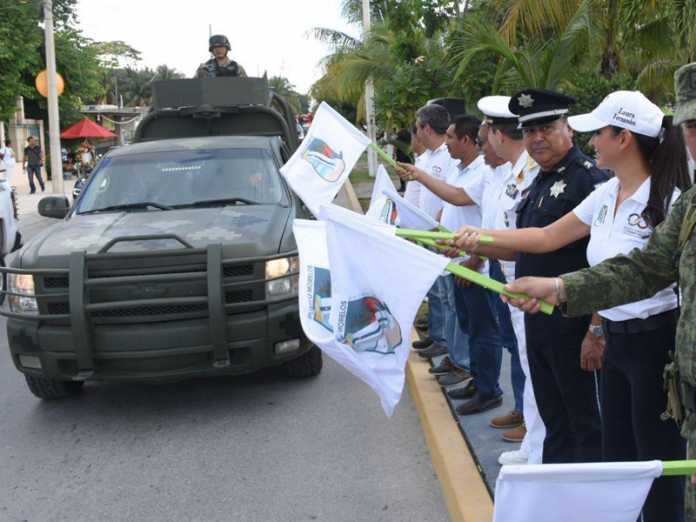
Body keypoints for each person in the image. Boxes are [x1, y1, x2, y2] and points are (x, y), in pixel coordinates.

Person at [460, 90, 690, 521]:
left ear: (624, 138)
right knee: (618, 459)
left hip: (655, 345)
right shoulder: (608, 195)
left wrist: (568, 298)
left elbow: (644, 273)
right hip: (619, 345)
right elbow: (546, 237)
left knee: (657, 468)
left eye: (599, 133)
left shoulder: (671, 202)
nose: (593, 142)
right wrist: (480, 238)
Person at [459, 89, 609, 463]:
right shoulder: (539, 180)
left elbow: (608, 265)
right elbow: (520, 248)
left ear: (568, 128)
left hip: (574, 324)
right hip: (539, 321)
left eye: (547, 127)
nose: (537, 137)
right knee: (554, 417)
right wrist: (472, 246)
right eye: (529, 131)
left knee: (585, 423)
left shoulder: (591, 180)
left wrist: (596, 329)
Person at [398, 115, 507, 415]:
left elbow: (462, 202)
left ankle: (489, 389)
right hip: (459, 259)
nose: (446, 143)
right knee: (470, 327)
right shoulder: (465, 170)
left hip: (475, 266)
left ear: (467, 141)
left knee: (485, 332)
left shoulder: (482, 173)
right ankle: (477, 379)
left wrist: (474, 258)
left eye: (450, 137)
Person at [476, 95, 545, 462]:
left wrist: (478, 244)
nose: (485, 141)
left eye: (486, 133)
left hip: (531, 283)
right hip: (512, 281)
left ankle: (540, 447)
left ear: (499, 135)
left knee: (536, 370)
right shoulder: (515, 173)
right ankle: (535, 443)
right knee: (528, 365)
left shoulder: (533, 172)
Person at [408, 105, 460, 363]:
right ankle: (439, 338)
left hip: (443, 235)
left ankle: (452, 349)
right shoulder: (426, 157)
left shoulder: (448, 157)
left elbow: (450, 196)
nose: (417, 135)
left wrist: (438, 229)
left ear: (426, 127)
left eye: (418, 128)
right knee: (437, 293)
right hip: (427, 234)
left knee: (448, 297)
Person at [403, 124, 425, 207]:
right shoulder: (419, 159)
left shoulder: (425, 162)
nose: (410, 142)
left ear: (419, 139)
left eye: (411, 138)